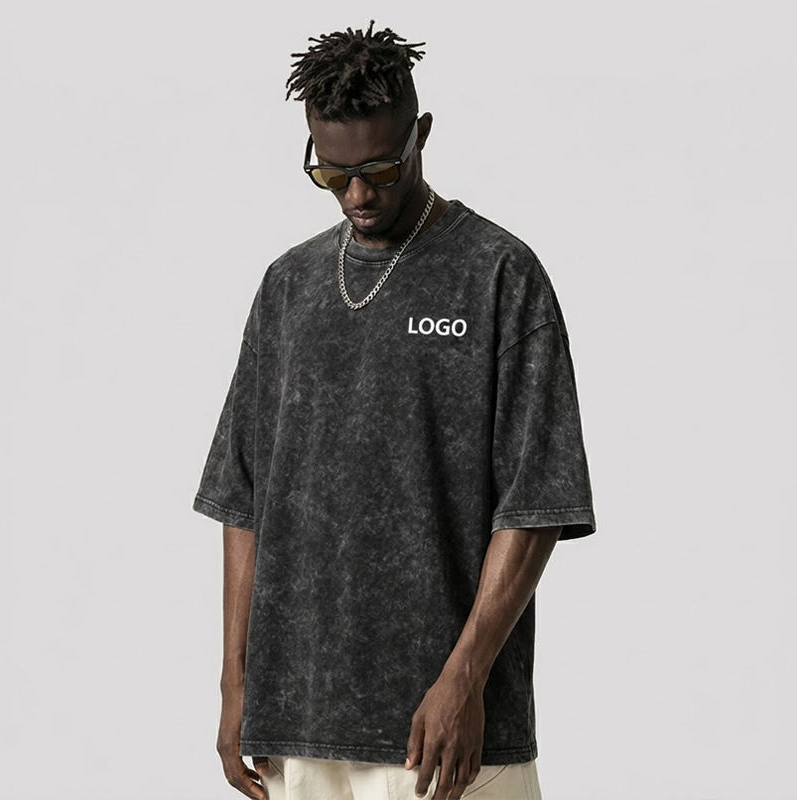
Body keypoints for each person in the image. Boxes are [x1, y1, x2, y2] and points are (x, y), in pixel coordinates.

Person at [192, 20, 597, 800]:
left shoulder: (498, 275)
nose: (358, 194)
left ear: (422, 135)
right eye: (331, 173)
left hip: (443, 732)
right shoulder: (288, 287)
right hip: (297, 726)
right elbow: (243, 499)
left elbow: (537, 501)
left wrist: (464, 678)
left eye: (379, 168)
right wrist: (235, 684)